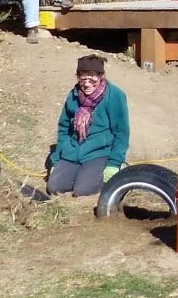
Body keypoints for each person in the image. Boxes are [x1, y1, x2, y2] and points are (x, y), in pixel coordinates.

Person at [46, 55, 130, 197]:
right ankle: (79, 172)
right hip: (73, 152)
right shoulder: (73, 96)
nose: (87, 83)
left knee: (82, 191)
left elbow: (121, 133)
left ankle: (120, 168)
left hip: (99, 153)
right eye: (82, 78)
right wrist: (56, 159)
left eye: (92, 78)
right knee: (54, 187)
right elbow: (63, 129)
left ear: (101, 76)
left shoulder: (115, 95)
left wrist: (113, 164)